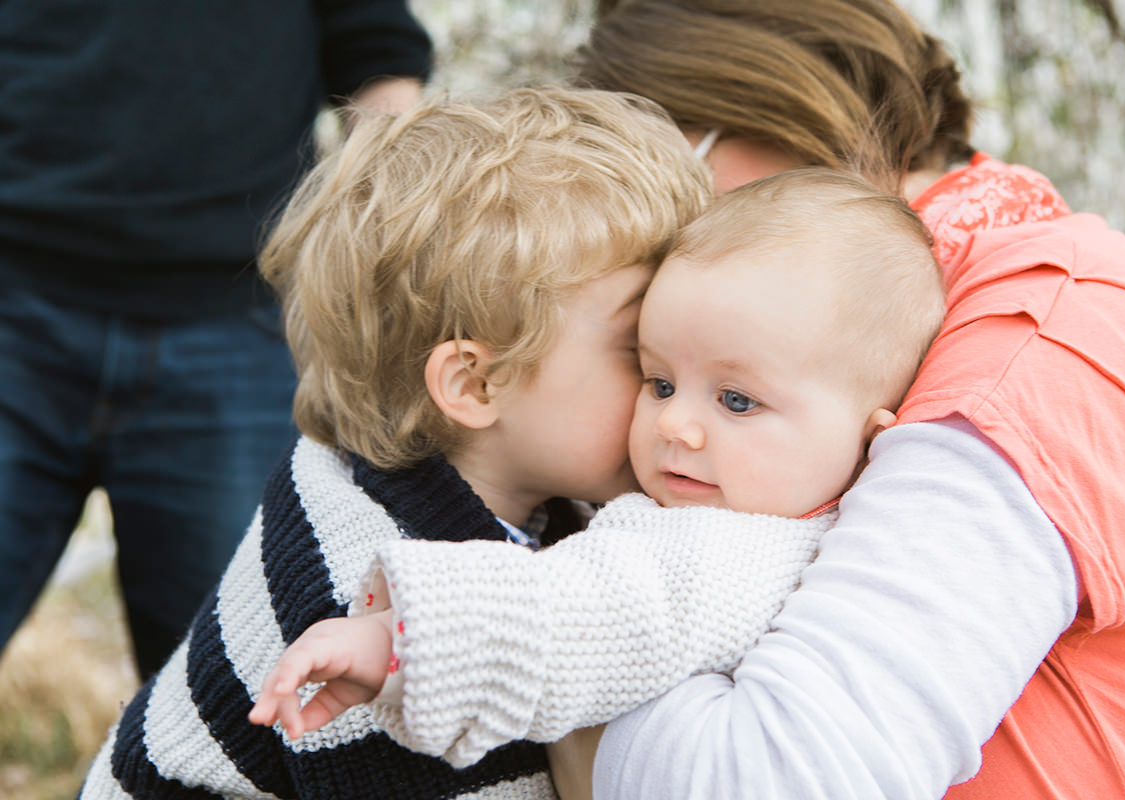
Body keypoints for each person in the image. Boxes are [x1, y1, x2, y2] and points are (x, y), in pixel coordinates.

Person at [269, 1, 1125, 798]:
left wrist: (580, 658)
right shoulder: (939, 311)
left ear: (764, 112)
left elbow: (764, 780)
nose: (666, 228)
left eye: (672, 174)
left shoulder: (1023, 353)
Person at [77, 86, 711, 800]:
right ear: (474, 384)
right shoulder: (361, 608)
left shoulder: (498, 487)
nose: (677, 392)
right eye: (641, 352)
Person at [248, 167, 947, 798]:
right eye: (659, 381)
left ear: (869, 439)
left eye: (737, 401)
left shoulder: (739, 544)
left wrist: (399, 641)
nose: (677, 425)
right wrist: (401, 641)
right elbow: (581, 606)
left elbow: (584, 610)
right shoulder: (729, 534)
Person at [0, 0, 432, 680]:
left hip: (237, 328)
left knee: (232, 695)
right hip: (17, 297)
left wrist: (399, 239)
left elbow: (374, 47)